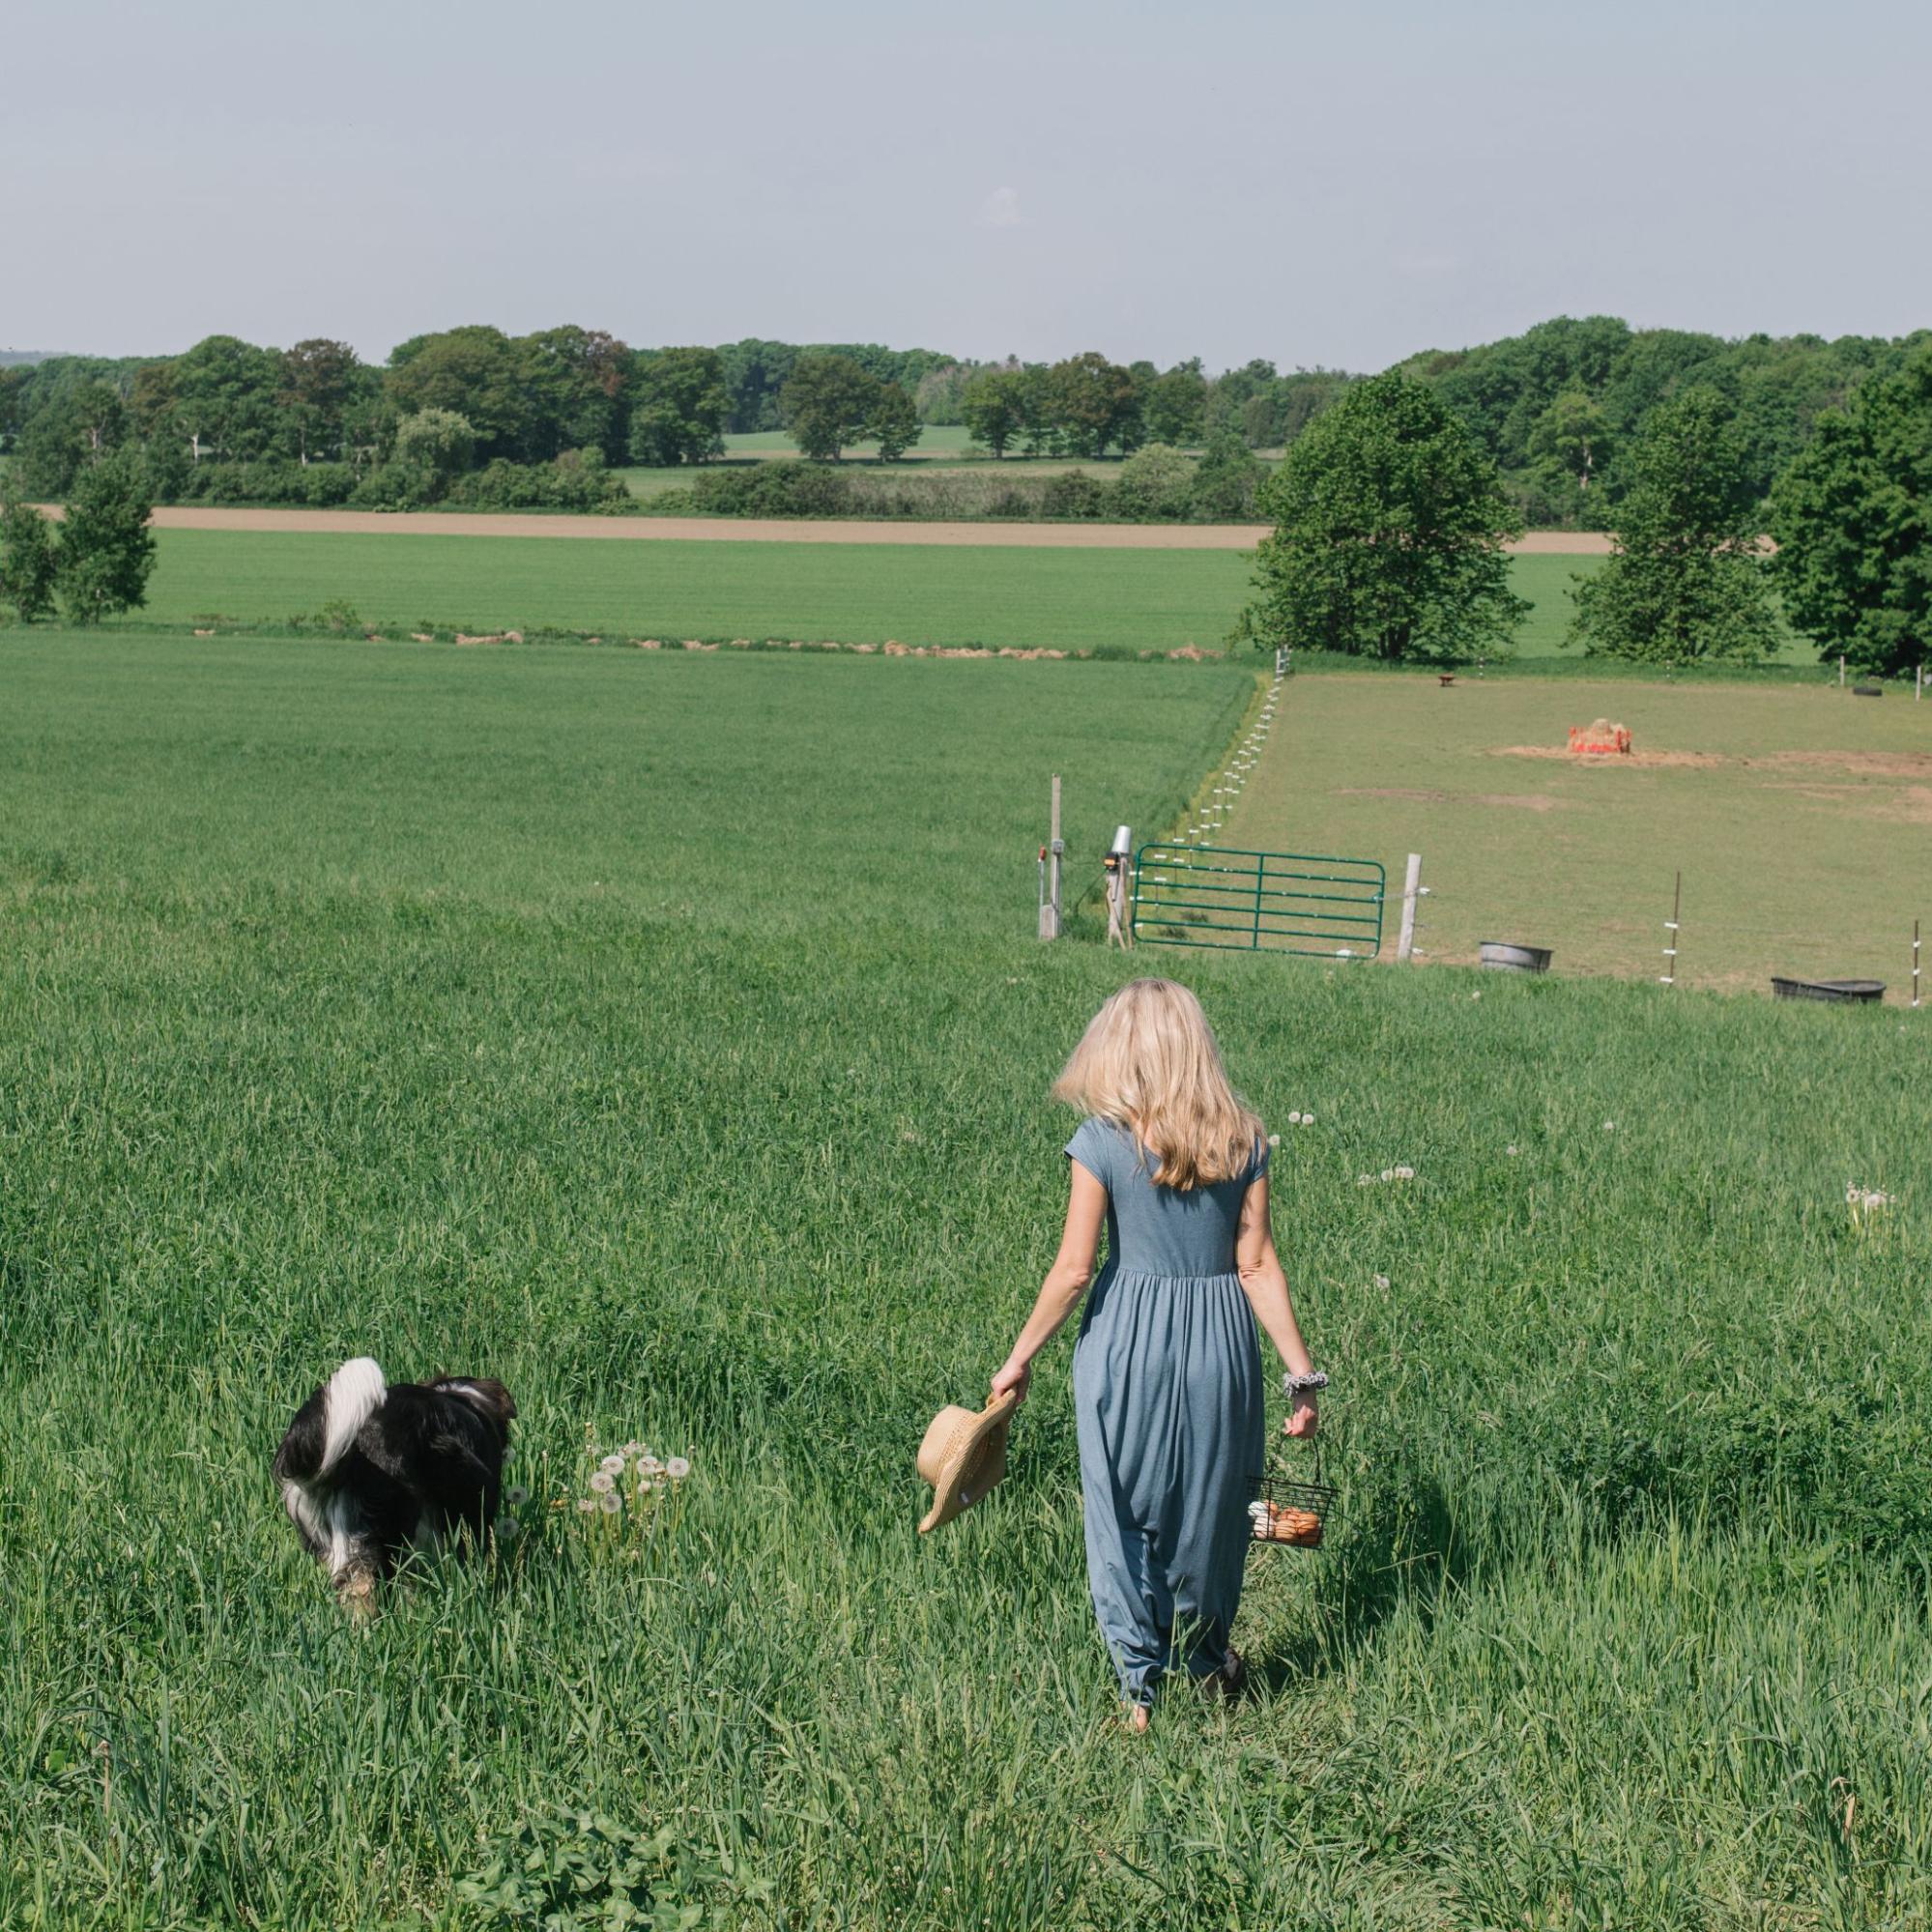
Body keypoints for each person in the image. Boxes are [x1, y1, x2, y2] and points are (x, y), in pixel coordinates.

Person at [991, 978, 1323, 1730]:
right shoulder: (1243, 1138)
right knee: (1215, 1509)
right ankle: (1207, 1666)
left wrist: (1019, 1358)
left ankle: (1137, 1690)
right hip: (1220, 1346)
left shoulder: (1103, 1141)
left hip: (1123, 1344)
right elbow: (1258, 1263)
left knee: (1121, 1512)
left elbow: (1074, 1267)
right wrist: (1302, 1377)